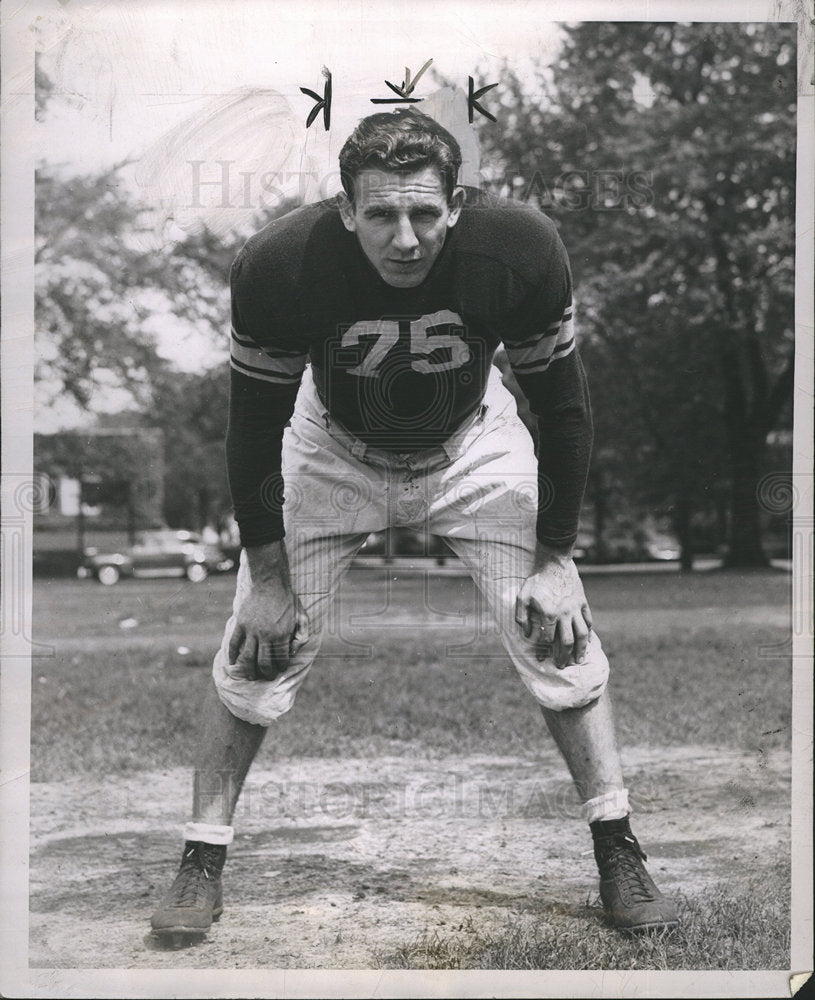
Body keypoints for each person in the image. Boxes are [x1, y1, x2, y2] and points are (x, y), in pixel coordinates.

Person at [150, 109, 678, 940]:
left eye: (425, 214)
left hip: (471, 444)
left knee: (558, 636)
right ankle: (199, 857)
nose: (405, 239)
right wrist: (268, 579)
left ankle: (618, 847)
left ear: (458, 204)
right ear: (346, 208)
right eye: (383, 214)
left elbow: (564, 408)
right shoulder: (282, 263)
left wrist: (557, 557)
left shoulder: (521, 249)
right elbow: (251, 425)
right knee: (257, 649)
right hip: (333, 446)